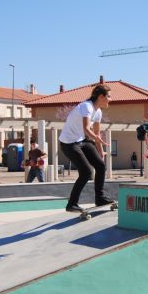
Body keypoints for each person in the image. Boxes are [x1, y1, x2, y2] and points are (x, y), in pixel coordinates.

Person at [59, 84, 114, 212]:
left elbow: (97, 132)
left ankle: (99, 198)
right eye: (109, 97)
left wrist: (100, 151)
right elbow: (86, 128)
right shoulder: (86, 106)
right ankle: (71, 204)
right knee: (86, 172)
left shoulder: (98, 112)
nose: (111, 100)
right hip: (68, 143)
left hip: (82, 140)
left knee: (100, 165)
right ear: (101, 96)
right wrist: (96, 138)